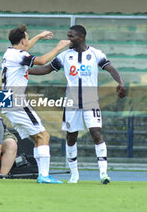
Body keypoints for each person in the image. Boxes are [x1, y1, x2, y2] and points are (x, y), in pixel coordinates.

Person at [28, 25, 126, 184]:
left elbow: (110, 68)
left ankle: (103, 174)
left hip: (90, 101)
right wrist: (26, 71)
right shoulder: (65, 56)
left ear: (81, 37)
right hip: (71, 104)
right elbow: (46, 69)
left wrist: (121, 82)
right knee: (71, 137)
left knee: (96, 133)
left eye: (71, 36)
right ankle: (74, 174)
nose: (68, 40)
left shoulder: (95, 54)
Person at [1, 24, 70, 184]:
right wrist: (58, 47)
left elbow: (25, 49)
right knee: (44, 135)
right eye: (27, 37)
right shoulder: (18, 56)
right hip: (15, 99)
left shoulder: (9, 52)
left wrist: (39, 36)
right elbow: (42, 60)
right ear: (23, 41)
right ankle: (44, 176)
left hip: (6, 98)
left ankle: (42, 174)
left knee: (39, 138)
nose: (28, 39)